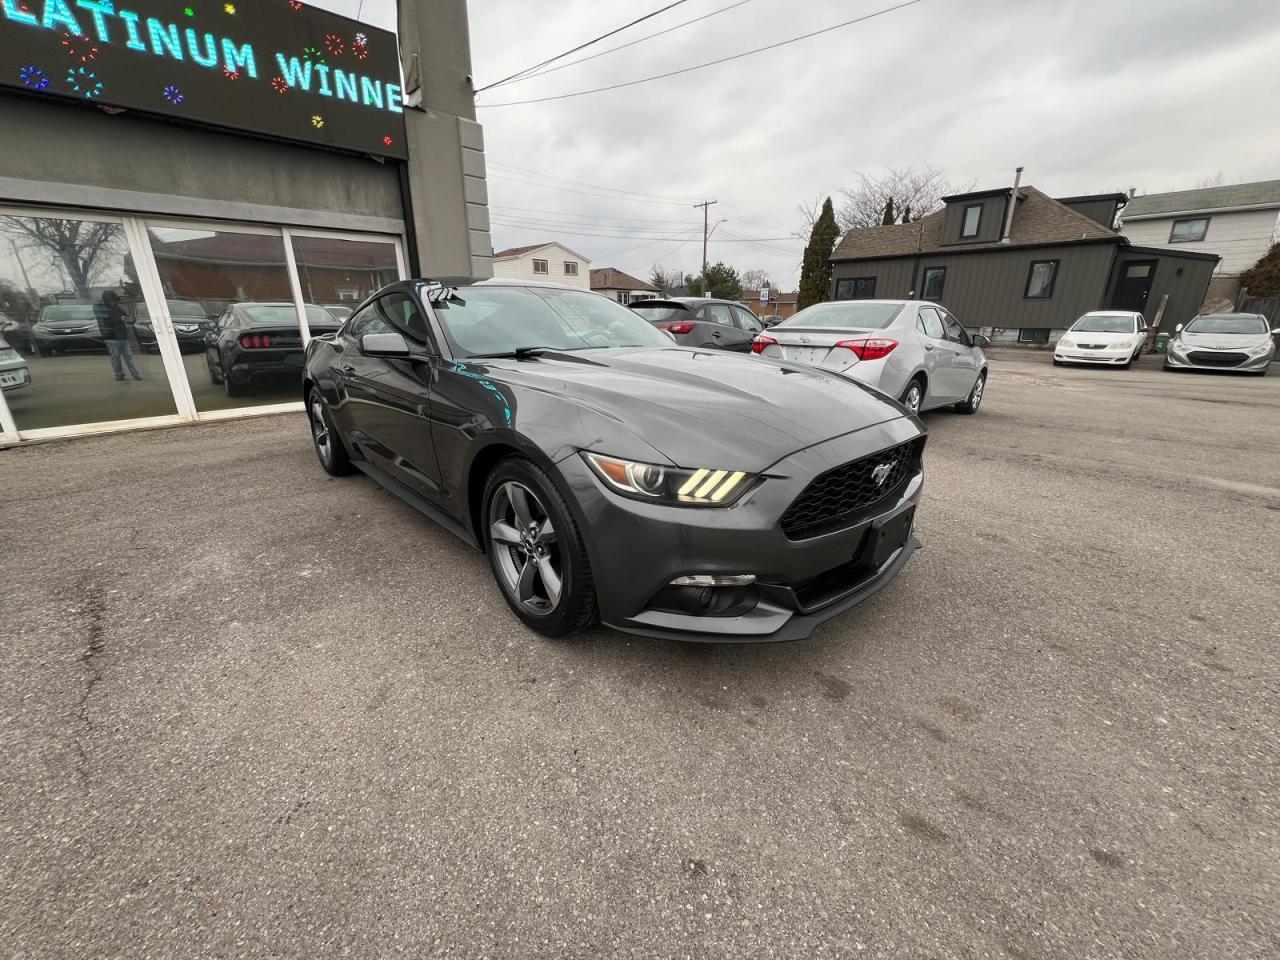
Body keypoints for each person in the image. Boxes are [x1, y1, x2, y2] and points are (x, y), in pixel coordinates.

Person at [95, 290, 141, 381]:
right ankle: (119, 374)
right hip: (110, 336)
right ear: (108, 299)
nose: (114, 302)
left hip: (122, 335)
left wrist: (126, 318)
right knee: (116, 356)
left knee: (128, 356)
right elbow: (104, 321)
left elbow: (125, 316)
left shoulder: (115, 306)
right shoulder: (100, 307)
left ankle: (135, 374)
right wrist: (121, 319)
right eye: (113, 300)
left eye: (115, 301)